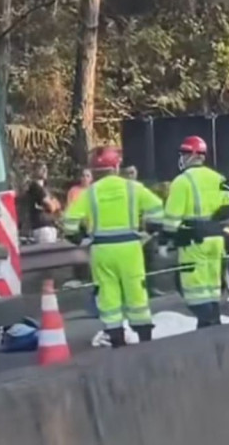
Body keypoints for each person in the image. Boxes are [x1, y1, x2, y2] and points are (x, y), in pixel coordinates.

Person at [62, 146, 164, 347]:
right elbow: (157, 207)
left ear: (96, 171)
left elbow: (69, 221)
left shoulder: (90, 193)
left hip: (102, 250)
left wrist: (79, 237)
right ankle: (144, 335)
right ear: (117, 166)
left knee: (108, 294)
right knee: (136, 290)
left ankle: (116, 336)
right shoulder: (132, 188)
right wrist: (151, 229)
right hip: (130, 248)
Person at [163, 136, 229, 328]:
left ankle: (208, 322)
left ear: (193, 155)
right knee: (211, 287)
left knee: (193, 288)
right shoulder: (218, 178)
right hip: (216, 238)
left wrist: (167, 238)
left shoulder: (182, 181)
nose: (182, 157)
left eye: (184, 153)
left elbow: (171, 219)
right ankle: (211, 321)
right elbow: (228, 207)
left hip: (193, 240)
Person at [25, 163, 60, 243]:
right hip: (41, 227)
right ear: (35, 171)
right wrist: (51, 205)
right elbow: (51, 206)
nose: (45, 171)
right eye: (41, 168)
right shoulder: (35, 187)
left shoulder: (46, 188)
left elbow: (57, 205)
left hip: (50, 225)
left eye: (46, 169)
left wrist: (52, 205)